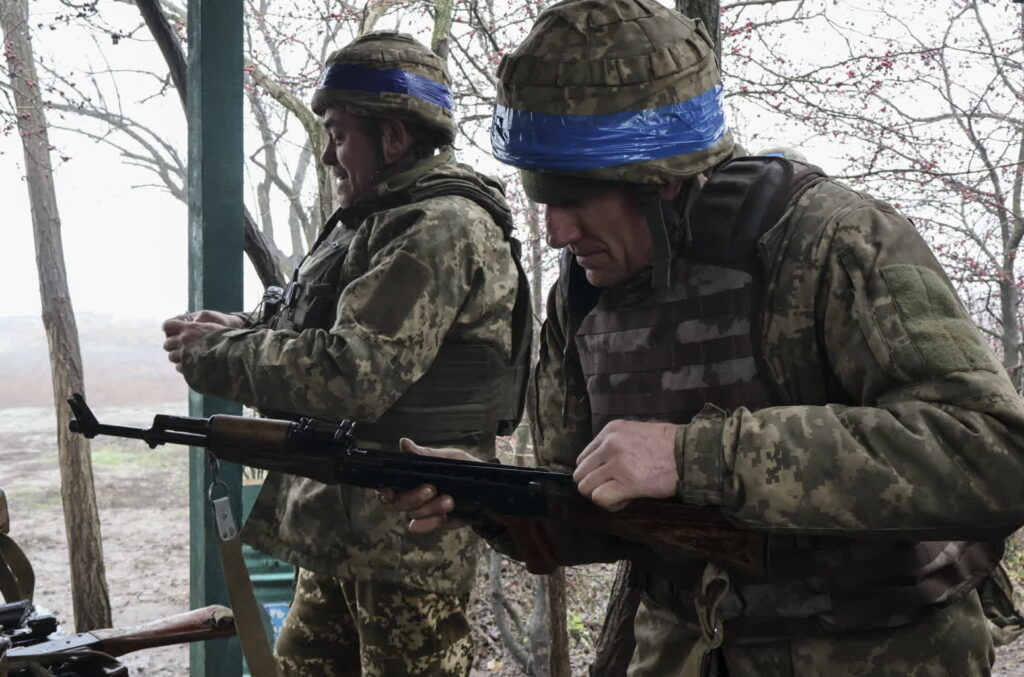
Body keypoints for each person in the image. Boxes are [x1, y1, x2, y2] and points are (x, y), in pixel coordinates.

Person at [385, 1, 1024, 675]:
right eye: (543, 198)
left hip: (876, 651)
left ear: (659, 179)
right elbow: (588, 509)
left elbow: (994, 453)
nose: (556, 232)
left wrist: (698, 456)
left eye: (574, 197)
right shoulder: (581, 296)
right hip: (681, 650)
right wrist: (488, 497)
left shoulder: (830, 243)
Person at [161, 31, 531, 677]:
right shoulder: (379, 219)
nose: (330, 156)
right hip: (344, 525)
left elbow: (349, 374)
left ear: (391, 136)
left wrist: (222, 353)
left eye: (338, 134)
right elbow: (321, 319)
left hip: (406, 538)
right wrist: (241, 327)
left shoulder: (436, 227)